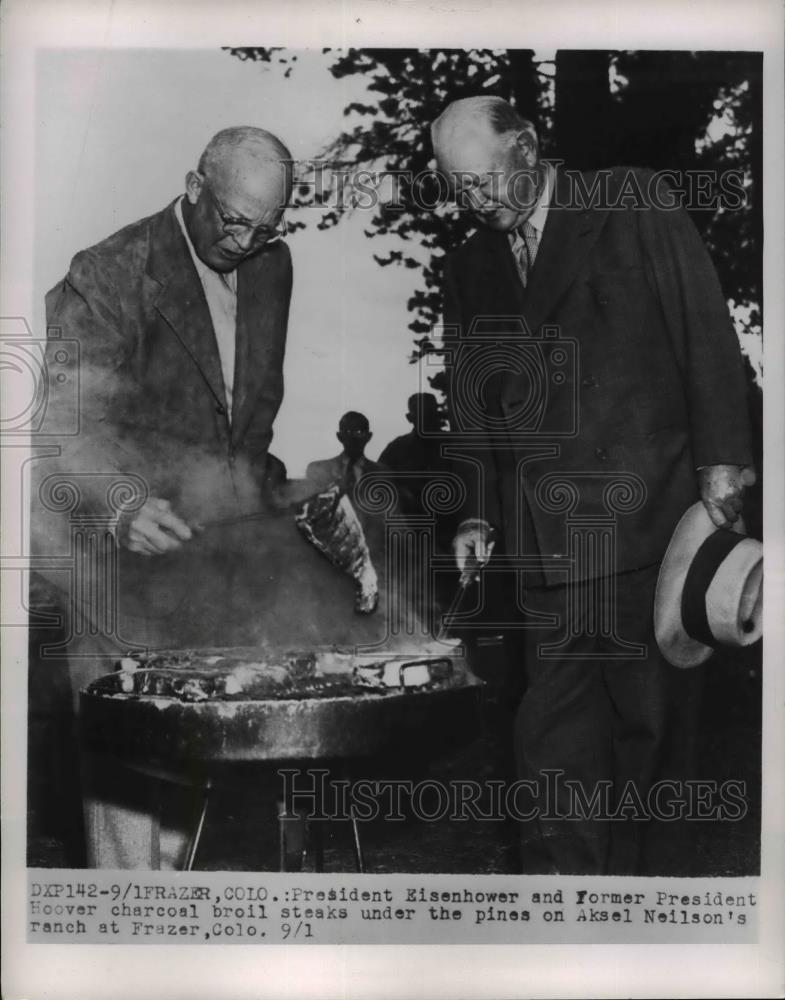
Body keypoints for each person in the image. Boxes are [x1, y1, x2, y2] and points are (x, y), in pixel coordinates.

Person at [431, 96, 756, 876]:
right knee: (549, 744)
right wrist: (475, 511)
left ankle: (653, 920)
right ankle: (559, 917)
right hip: (546, 546)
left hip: (650, 523)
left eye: (480, 181)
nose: (473, 201)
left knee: (650, 741)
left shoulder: (629, 201)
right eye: (457, 188)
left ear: (528, 146)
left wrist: (723, 460)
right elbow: (471, 400)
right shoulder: (472, 266)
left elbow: (703, 329)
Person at [34, 126, 294, 868]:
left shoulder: (273, 266)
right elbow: (57, 416)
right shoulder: (112, 270)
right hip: (107, 548)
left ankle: (170, 915)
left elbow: (249, 407)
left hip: (205, 551)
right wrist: (120, 502)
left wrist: (258, 506)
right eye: (234, 219)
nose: (246, 241)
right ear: (193, 186)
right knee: (126, 746)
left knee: (190, 743)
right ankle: (125, 922)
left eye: (266, 227)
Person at [379, 393, 452, 517]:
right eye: (420, 414)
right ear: (409, 417)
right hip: (408, 525)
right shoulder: (396, 448)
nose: (425, 419)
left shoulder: (453, 445)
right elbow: (378, 484)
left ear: (436, 414)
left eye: (429, 413)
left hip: (450, 524)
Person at [305, 411, 384, 496]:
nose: (353, 437)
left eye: (359, 432)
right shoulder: (318, 470)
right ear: (339, 436)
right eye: (348, 432)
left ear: (368, 436)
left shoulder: (382, 473)